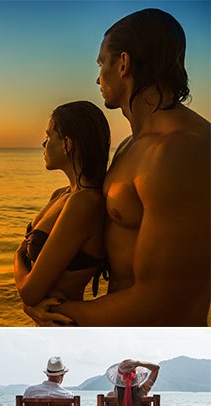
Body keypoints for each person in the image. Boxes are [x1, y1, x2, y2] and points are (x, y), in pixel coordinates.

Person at [24, 9, 210, 327]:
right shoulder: (130, 147)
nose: (98, 78)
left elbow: (163, 303)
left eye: (101, 63)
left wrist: (50, 310)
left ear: (123, 63)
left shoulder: (180, 151)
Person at [14, 101, 110, 307]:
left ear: (67, 144)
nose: (43, 144)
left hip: (66, 324)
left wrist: (17, 255)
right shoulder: (60, 194)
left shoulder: (85, 203)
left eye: (49, 137)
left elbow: (29, 293)